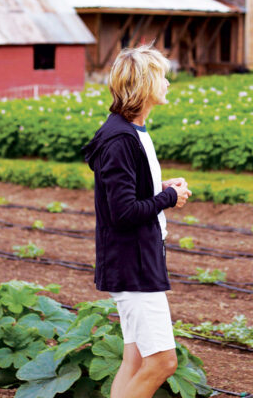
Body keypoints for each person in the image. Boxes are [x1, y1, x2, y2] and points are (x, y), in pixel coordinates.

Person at [83, 44, 192, 398]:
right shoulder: (120, 139)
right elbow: (123, 212)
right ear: (145, 83)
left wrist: (158, 187)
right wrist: (168, 198)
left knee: (134, 359)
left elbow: (126, 191)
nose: (168, 84)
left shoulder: (134, 132)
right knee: (162, 362)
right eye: (161, 76)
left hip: (140, 261)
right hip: (134, 266)